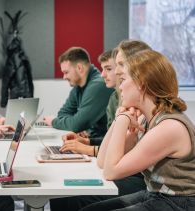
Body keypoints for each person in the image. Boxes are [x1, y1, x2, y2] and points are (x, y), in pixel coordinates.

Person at [81, 50, 195, 211]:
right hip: (156, 194)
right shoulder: (145, 120)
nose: (119, 87)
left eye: (123, 80)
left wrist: (122, 120)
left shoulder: (169, 127)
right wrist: (119, 117)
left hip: (182, 202)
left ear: (141, 83)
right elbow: (102, 161)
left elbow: (111, 172)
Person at [51, 42, 151, 211]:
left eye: (118, 66)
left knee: (72, 197)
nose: (107, 73)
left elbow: (113, 162)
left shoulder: (153, 117)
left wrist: (88, 147)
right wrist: (88, 141)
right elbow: (109, 153)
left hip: (142, 182)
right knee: (61, 194)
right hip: (130, 173)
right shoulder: (120, 101)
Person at [43, 47, 114, 139]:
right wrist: (78, 126)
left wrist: (53, 121)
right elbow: (63, 114)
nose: (64, 77)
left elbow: (75, 125)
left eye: (66, 72)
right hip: (91, 141)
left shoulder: (98, 85)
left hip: (100, 146)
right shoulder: (78, 87)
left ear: (79, 68)